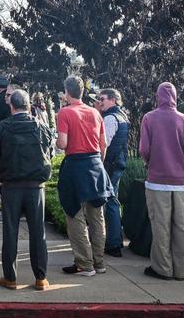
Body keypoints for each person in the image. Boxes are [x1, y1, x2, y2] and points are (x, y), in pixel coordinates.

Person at [0, 89, 51, 290]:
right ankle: (40, 277)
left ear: (11, 106)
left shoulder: (3, 127)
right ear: (28, 104)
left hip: (12, 185)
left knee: (10, 231)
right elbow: (48, 147)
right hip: (36, 186)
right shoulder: (41, 126)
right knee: (38, 232)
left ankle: (11, 277)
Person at [139, 81, 184, 281]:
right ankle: (183, 269)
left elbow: (144, 150)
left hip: (157, 179)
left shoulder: (149, 118)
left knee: (161, 226)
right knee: (182, 226)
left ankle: (162, 268)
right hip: (181, 181)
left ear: (157, 96)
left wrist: (152, 162)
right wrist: (182, 163)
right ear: (175, 97)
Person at [55, 76, 112, 277]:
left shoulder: (65, 112)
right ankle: (99, 262)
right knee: (97, 216)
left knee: (75, 215)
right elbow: (103, 144)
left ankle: (84, 263)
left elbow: (62, 143)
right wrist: (99, 163)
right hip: (95, 163)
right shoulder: (95, 112)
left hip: (76, 165)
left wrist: (56, 142)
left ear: (66, 92)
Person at [95, 88, 129, 258]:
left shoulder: (110, 118)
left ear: (113, 100)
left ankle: (113, 243)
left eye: (102, 99)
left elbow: (104, 145)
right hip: (119, 163)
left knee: (110, 202)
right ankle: (114, 241)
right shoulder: (122, 116)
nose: (99, 102)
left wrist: (99, 164)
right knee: (112, 201)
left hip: (111, 164)